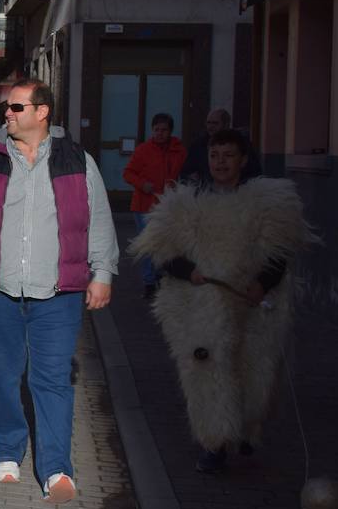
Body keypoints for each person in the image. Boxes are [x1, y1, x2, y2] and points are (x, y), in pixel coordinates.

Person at [0, 79, 117, 505]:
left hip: (58, 293)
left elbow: (98, 220)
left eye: (17, 107)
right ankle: (7, 449)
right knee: (2, 376)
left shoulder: (77, 160)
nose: (8, 114)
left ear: (42, 113)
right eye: (7, 108)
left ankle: (55, 467)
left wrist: (103, 272)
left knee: (52, 380)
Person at [130, 129, 314, 473]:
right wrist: (191, 271)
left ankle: (246, 430)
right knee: (206, 370)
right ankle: (213, 442)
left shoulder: (267, 203)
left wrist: (262, 284)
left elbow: (279, 251)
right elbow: (161, 253)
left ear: (243, 159)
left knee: (253, 368)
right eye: (215, 156)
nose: (221, 163)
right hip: (201, 308)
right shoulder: (184, 206)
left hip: (251, 305)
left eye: (228, 155)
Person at [122, 113, 187, 297]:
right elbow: (128, 173)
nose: (159, 133)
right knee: (149, 244)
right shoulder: (143, 150)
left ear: (170, 131)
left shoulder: (179, 152)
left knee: (165, 244)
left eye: (164, 130)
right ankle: (149, 282)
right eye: (156, 130)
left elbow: (185, 173)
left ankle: (161, 276)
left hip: (167, 206)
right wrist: (143, 184)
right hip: (144, 205)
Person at [178, 108, 260, 185]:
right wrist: (192, 178)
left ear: (226, 124)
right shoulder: (198, 144)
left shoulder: (240, 142)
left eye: (215, 123)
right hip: (205, 191)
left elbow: (254, 171)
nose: (210, 127)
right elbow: (185, 172)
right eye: (208, 123)